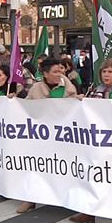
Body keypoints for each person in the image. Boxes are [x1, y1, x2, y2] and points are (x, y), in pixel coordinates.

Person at [68, 59, 112, 223]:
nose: (106, 75)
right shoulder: (96, 90)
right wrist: (80, 100)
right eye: (104, 72)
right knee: (94, 173)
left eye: (110, 72)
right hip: (99, 140)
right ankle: (90, 212)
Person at [17, 58, 77, 213]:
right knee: (36, 166)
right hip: (41, 136)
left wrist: (79, 101)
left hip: (63, 136)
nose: (60, 74)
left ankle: (70, 198)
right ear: (45, 73)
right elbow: (25, 108)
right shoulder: (35, 89)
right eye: (55, 71)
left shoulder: (69, 87)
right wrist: (13, 101)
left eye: (61, 70)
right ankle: (31, 199)